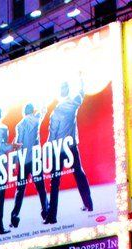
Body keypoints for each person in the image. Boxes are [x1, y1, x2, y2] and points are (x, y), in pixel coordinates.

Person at [47, 80, 94, 224]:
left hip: (58, 149)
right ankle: (89, 204)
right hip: (71, 146)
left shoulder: (56, 112)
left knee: (55, 181)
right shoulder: (73, 104)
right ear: (68, 90)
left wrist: (48, 150)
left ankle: (52, 217)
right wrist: (81, 81)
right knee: (79, 173)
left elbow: (52, 135)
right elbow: (81, 94)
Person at [10, 103, 48, 227]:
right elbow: (43, 111)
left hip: (24, 161)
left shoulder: (20, 125)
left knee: (20, 190)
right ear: (32, 111)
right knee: (41, 187)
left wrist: (15, 162)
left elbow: (18, 144)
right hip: (35, 159)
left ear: (24, 112)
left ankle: (14, 217)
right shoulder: (37, 119)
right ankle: (46, 213)